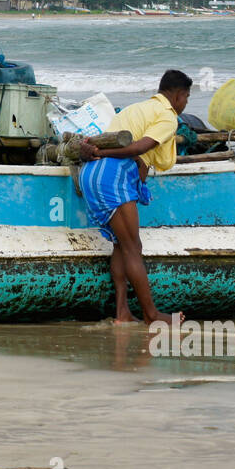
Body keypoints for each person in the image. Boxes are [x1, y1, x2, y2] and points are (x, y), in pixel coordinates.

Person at [78, 69, 192, 327]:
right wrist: (105, 154)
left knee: (121, 244)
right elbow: (141, 148)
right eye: (186, 97)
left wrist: (99, 153)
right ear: (177, 95)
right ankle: (152, 314)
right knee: (133, 248)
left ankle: (122, 312)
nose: (185, 103)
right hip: (112, 172)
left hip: (91, 175)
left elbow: (128, 152)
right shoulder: (167, 116)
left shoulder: (136, 109)